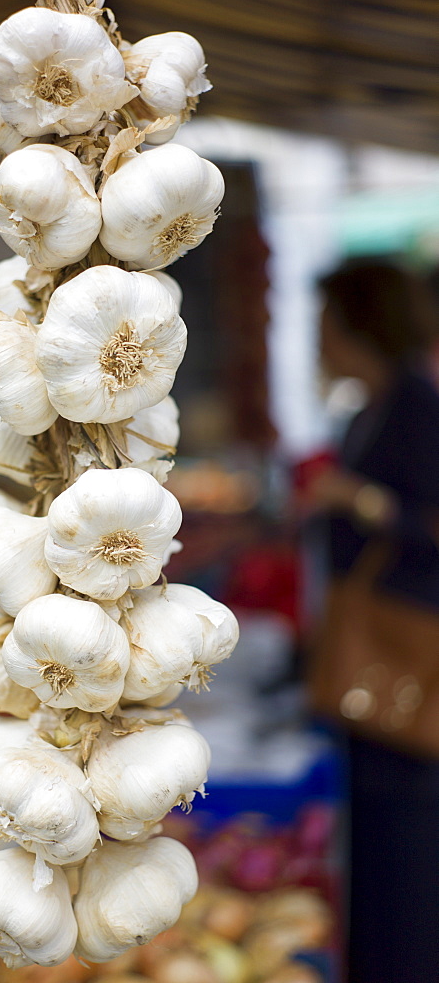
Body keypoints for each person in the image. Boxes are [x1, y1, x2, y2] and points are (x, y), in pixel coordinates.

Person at [303, 257, 439, 983]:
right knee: (380, 846)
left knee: (408, 851)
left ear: (358, 324)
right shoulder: (373, 406)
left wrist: (356, 500)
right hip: (377, 666)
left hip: (407, 661)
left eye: (323, 322)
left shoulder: (416, 403)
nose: (314, 339)